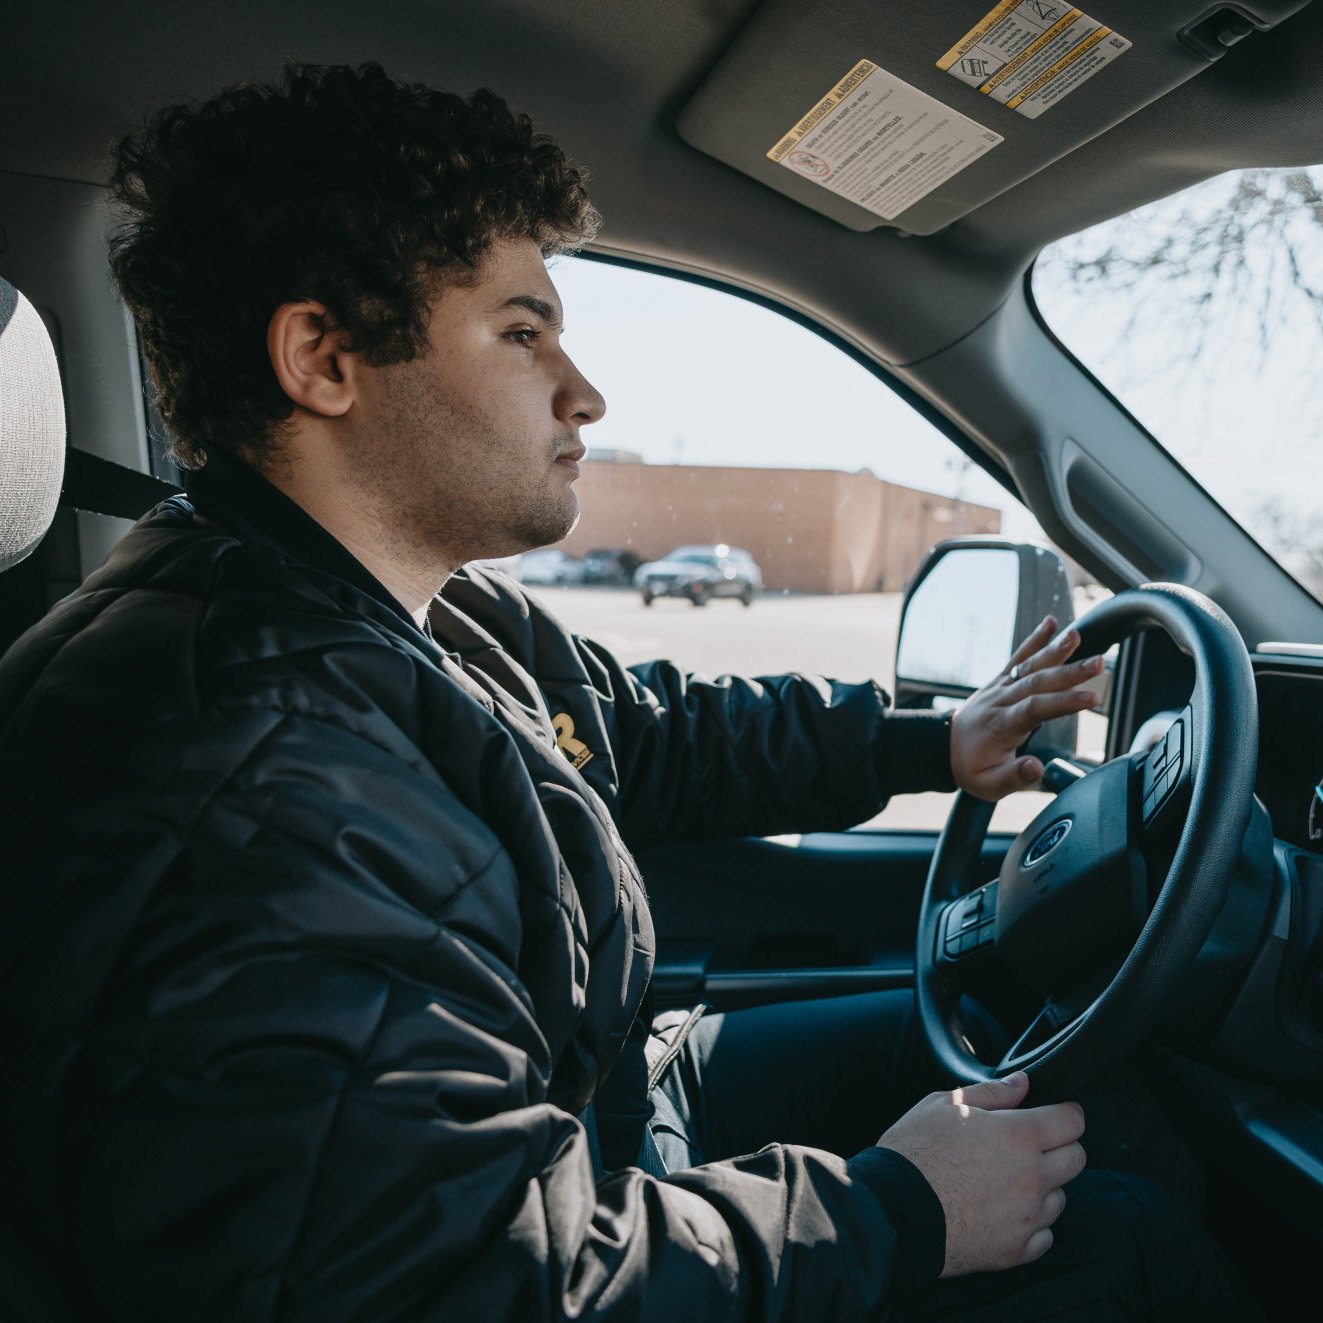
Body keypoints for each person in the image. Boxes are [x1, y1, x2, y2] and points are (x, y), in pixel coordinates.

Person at [0, 61, 1262, 1322]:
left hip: (589, 1132)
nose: (584, 390)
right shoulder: (255, 762)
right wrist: (901, 1210)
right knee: (1125, 1239)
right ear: (323, 359)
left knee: (1038, 1079)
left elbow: (647, 739)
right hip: (534, 1227)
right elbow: (454, 1275)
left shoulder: (388, 609)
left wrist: (941, 744)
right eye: (520, 331)